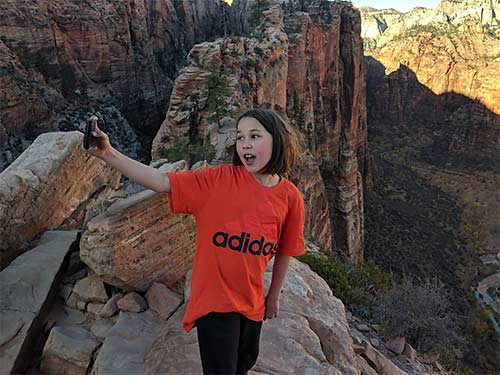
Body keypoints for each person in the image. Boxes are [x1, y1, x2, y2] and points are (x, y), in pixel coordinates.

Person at [84, 108, 305, 374]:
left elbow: (285, 251)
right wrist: (108, 153)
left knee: (244, 362)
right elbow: (162, 181)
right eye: (240, 136)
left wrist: (274, 297)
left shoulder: (290, 197)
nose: (245, 143)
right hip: (214, 299)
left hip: (252, 301)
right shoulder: (218, 180)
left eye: (255, 136)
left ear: (277, 140)